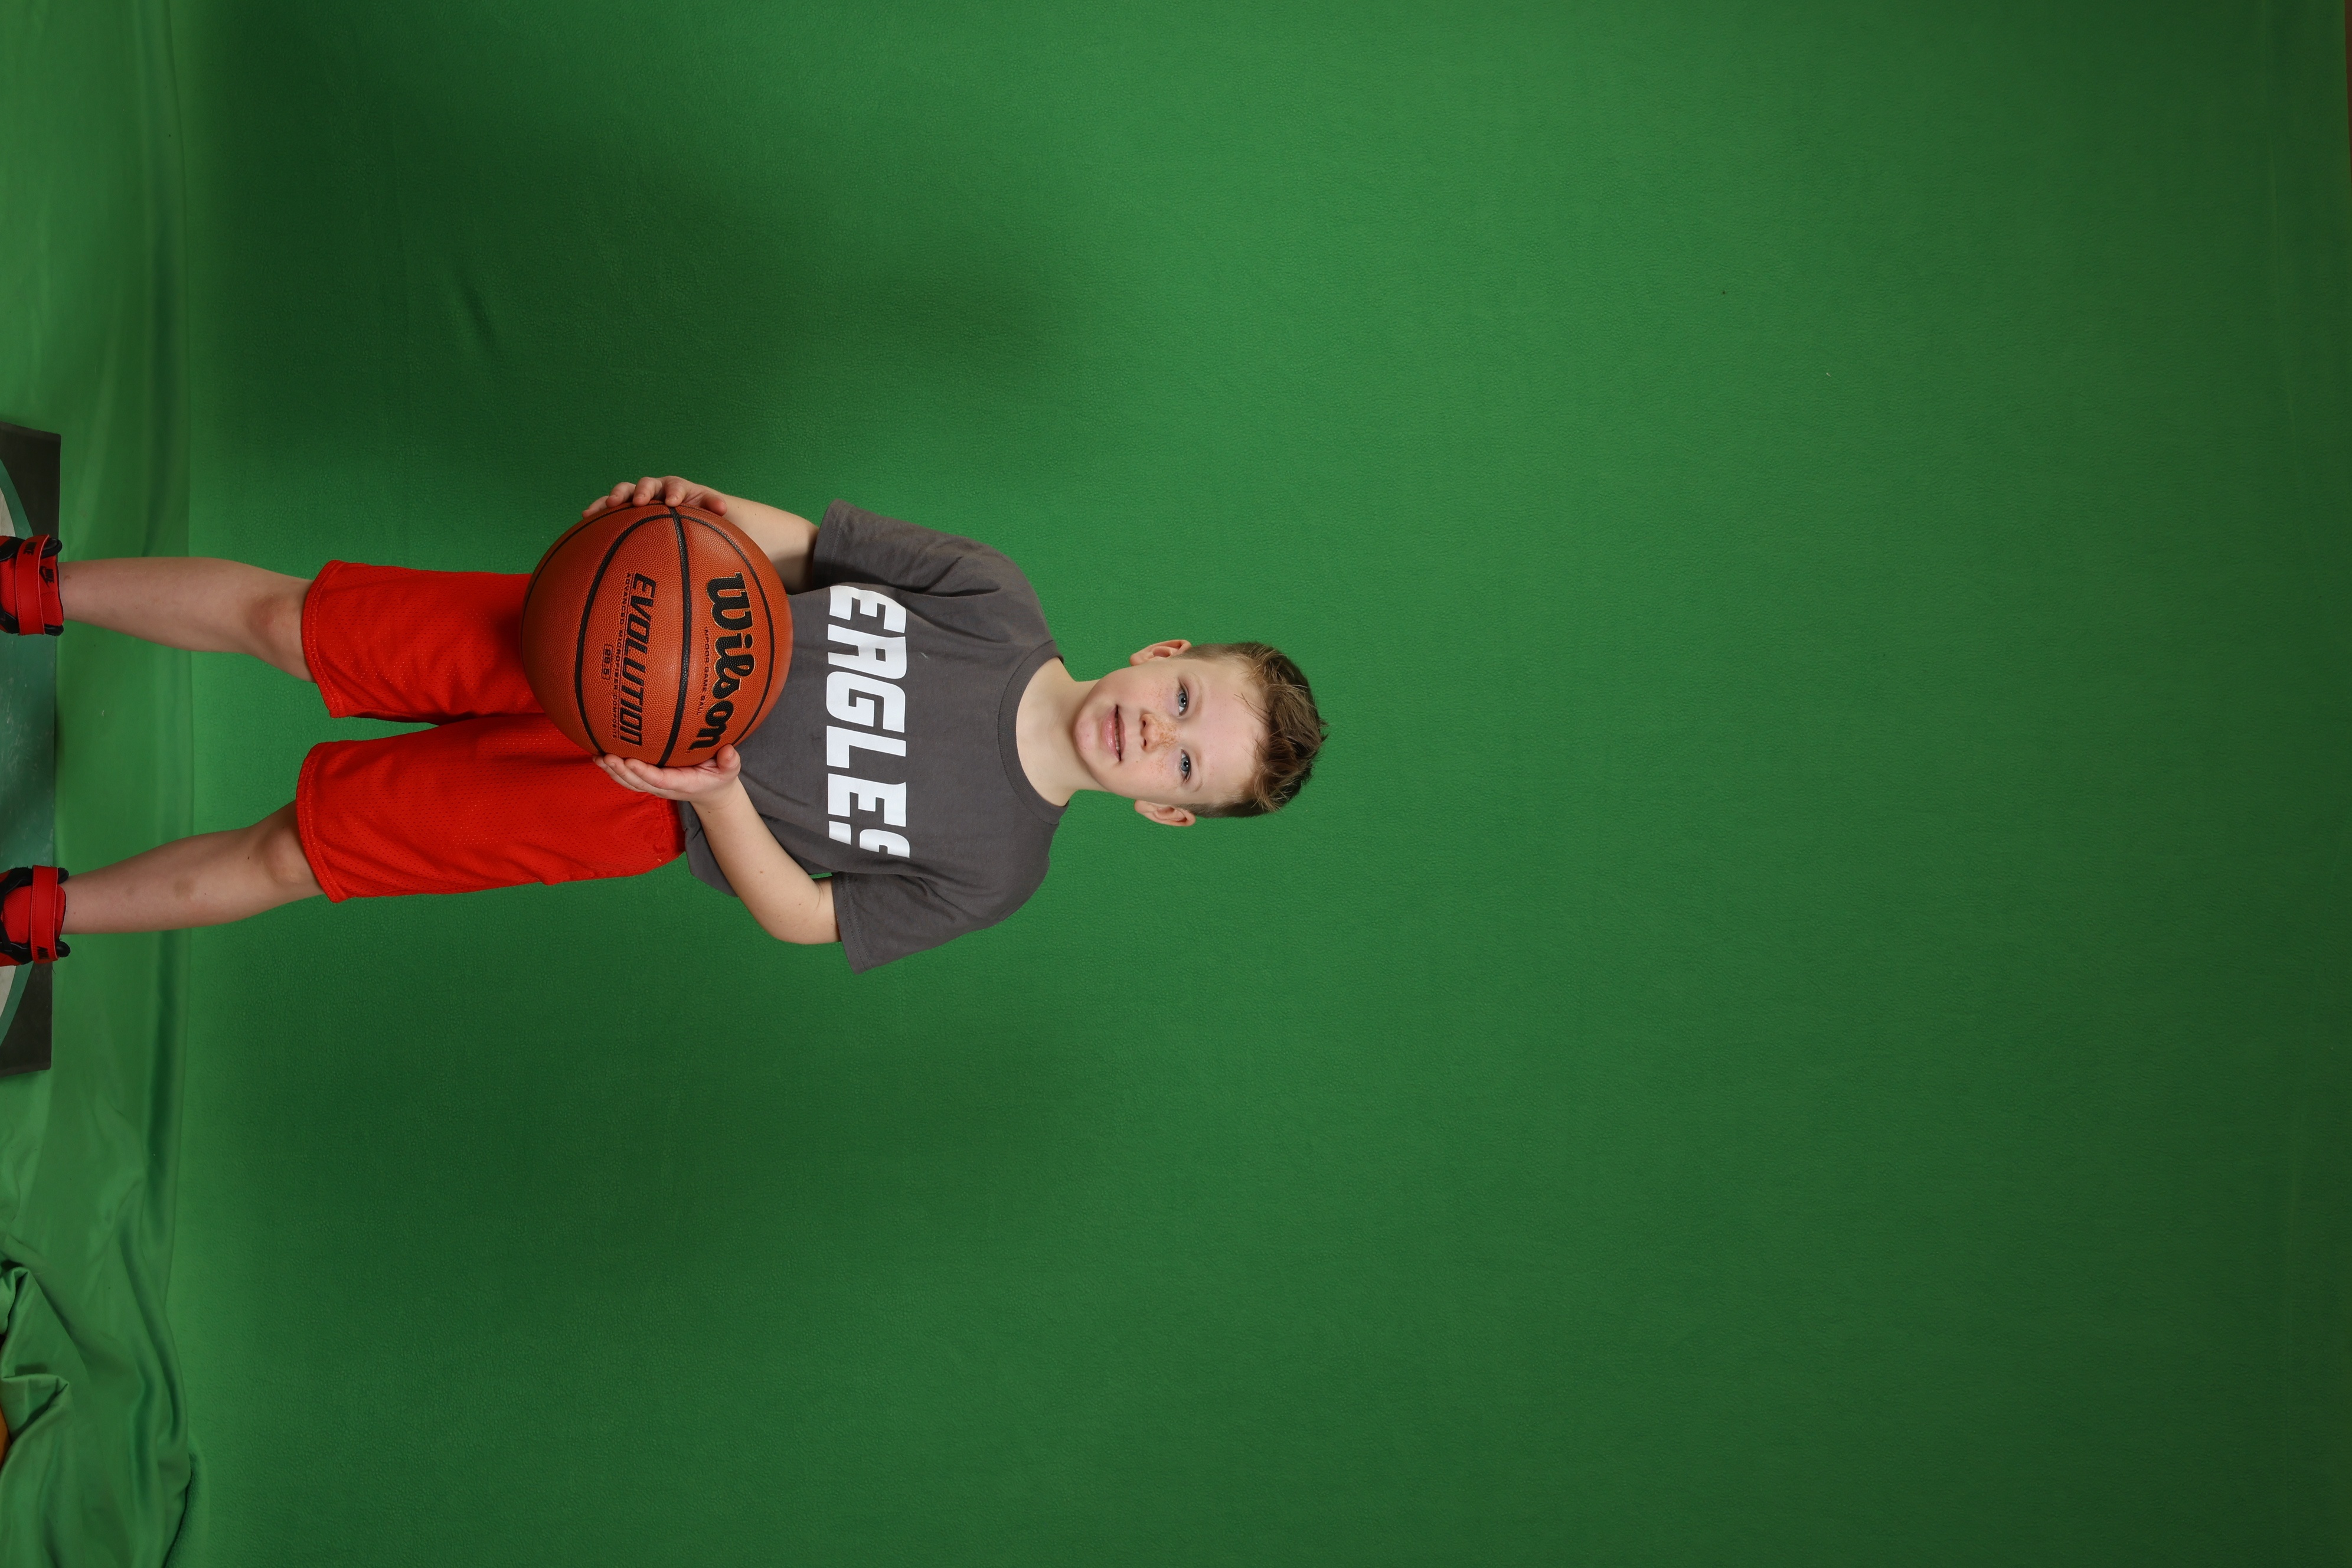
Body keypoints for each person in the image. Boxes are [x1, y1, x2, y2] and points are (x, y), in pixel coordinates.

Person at [0, 476, 1326, 972]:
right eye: (1184, 700)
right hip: (622, 635)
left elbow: (803, 916)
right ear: (1164, 653)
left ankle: (43, 913)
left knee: (305, 853)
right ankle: (39, 586)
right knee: (297, 623)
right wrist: (695, 512)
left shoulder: (999, 870)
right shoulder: (991, 595)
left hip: (635, 806)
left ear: (1168, 811)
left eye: (1185, 764)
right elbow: (802, 548)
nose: (1155, 733)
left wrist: (717, 794)